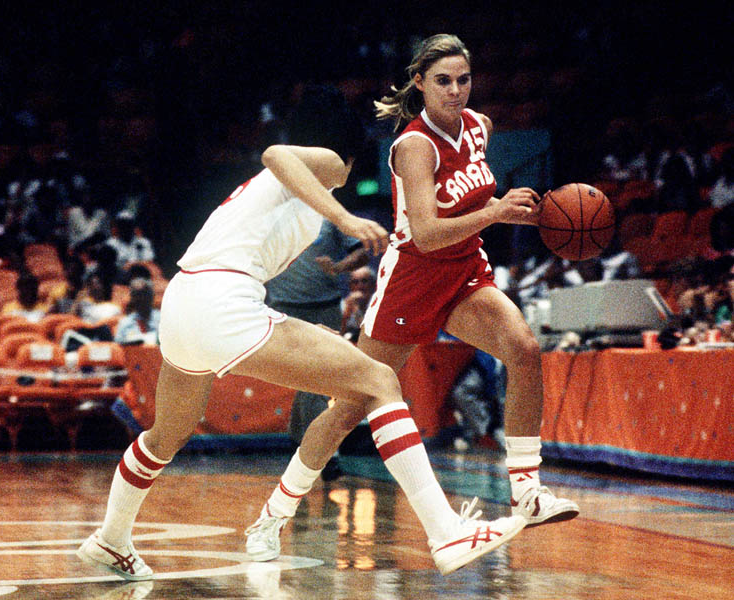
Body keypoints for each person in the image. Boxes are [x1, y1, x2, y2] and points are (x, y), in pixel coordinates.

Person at [76, 85, 525, 582]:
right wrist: (344, 216)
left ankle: (111, 539)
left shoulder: (277, 193)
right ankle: (445, 532)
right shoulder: (329, 164)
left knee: (167, 434)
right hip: (223, 300)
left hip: (184, 303)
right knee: (378, 380)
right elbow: (275, 152)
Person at [259, 34, 579, 551]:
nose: (455, 91)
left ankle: (527, 491)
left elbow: (469, 195)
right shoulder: (413, 145)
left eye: (463, 80)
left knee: (524, 349)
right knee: (348, 407)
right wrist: (495, 211)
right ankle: (275, 511)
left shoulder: (480, 128)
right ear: (420, 84)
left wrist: (511, 205)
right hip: (412, 279)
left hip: (465, 273)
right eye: (443, 81)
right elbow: (427, 233)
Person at [266, 217, 369, 480]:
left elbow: (362, 251)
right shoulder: (270, 213)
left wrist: (338, 267)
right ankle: (306, 441)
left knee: (317, 379)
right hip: (284, 309)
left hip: (326, 306)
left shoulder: (328, 212)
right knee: (309, 378)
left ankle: (318, 451)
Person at [114, 277, 160, 345]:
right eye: (137, 295)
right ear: (132, 298)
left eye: (145, 294)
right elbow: (117, 346)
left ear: (151, 296)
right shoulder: (125, 323)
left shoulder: (163, 320)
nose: (141, 299)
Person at [340, 265, 376, 342]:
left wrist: (357, 312)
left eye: (364, 281)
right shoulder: (344, 305)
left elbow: (370, 336)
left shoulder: (379, 305)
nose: (360, 286)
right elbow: (337, 335)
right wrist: (347, 313)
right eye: (355, 282)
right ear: (350, 286)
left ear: (373, 285)